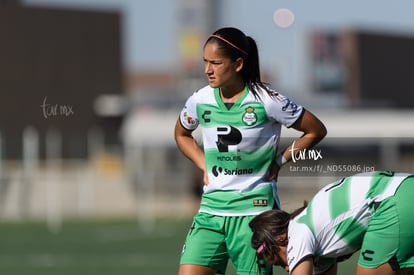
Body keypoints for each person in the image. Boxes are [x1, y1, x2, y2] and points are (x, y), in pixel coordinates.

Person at [175, 27, 327, 275]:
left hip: (255, 215)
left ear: (238, 64)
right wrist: (203, 164)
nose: (207, 70)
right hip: (210, 212)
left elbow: (315, 130)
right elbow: (181, 134)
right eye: (205, 62)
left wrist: (280, 161)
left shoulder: (267, 100)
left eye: (215, 62)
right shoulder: (199, 100)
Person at [250, 171, 414, 275]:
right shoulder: (317, 240)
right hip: (405, 188)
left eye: (280, 261)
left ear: (281, 238)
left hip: (392, 201)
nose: (287, 269)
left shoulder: (298, 231)